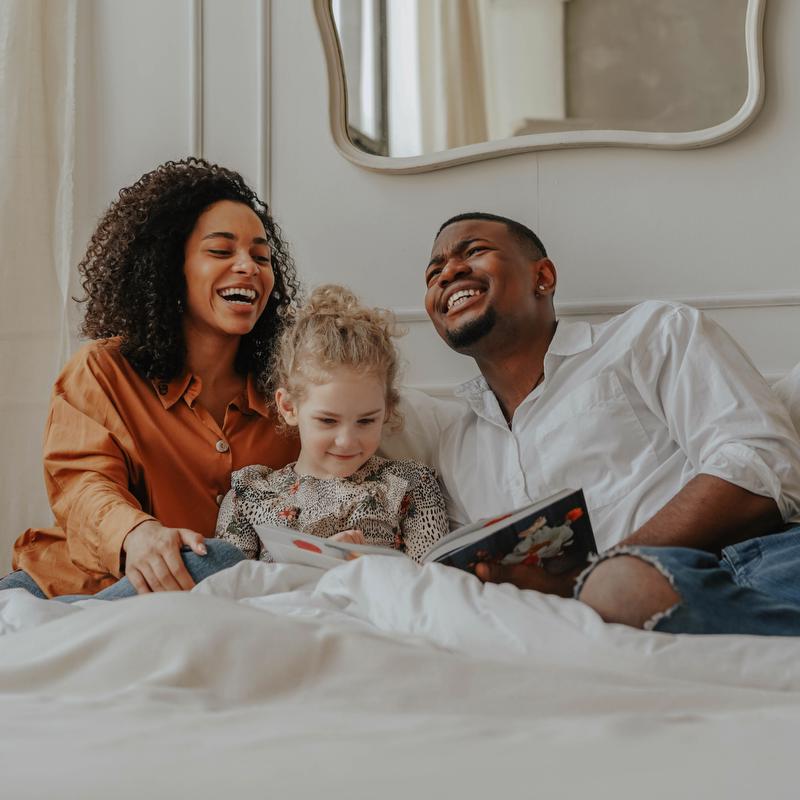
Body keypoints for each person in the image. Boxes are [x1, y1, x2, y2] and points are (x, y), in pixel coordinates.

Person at [382, 211, 800, 635]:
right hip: (586, 629)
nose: (449, 271)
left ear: (542, 278)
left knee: (618, 587)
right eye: (434, 272)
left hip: (750, 562)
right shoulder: (456, 446)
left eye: (474, 251)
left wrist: (592, 578)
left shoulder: (651, 334)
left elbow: (762, 467)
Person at [0, 158, 301, 599]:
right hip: (65, 590)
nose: (249, 267)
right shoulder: (102, 370)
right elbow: (83, 483)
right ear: (168, 267)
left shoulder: (291, 399)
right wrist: (136, 534)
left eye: (261, 256)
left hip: (194, 601)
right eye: (221, 251)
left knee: (220, 563)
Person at [216, 285, 449, 563]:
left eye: (366, 420)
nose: (347, 441)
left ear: (387, 410)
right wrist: (314, 564)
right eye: (328, 420)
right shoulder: (249, 496)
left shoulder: (410, 484)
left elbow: (434, 584)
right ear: (289, 407)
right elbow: (230, 591)